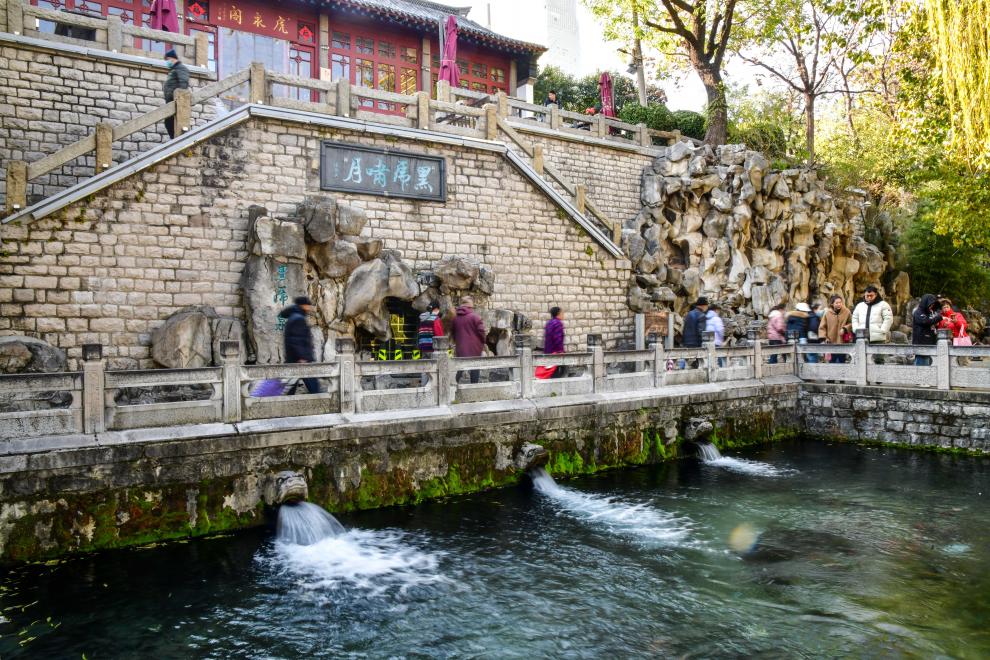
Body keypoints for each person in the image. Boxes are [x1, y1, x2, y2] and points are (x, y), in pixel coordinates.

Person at [279, 296, 323, 394]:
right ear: (303, 305)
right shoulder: (298, 319)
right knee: (314, 387)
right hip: (301, 360)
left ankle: (288, 401)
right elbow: (296, 339)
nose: (310, 307)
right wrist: (302, 357)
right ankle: (321, 400)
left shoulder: (293, 317)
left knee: (291, 387)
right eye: (308, 305)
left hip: (294, 358)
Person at [851, 285, 893, 363]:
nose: (869, 297)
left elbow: (888, 318)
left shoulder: (883, 304)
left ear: (876, 294)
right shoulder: (860, 305)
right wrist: (856, 329)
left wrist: (883, 330)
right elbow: (854, 318)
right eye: (867, 295)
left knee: (878, 360)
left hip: (877, 338)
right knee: (861, 360)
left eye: (871, 295)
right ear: (864, 295)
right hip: (862, 337)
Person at [451, 295, 487, 383]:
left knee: (460, 368)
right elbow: (482, 332)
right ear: (471, 305)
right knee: (474, 369)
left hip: (460, 348)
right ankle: (473, 388)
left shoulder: (455, 319)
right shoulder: (475, 317)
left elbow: (453, 333)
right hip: (474, 348)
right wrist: (483, 342)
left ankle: (454, 386)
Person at [162, 49, 190, 139]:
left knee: (170, 122)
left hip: (177, 101)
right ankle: (174, 139)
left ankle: (175, 139)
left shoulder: (181, 68)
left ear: (173, 58)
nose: (167, 62)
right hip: (171, 101)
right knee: (168, 122)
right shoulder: (174, 69)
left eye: (168, 59)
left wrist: (179, 98)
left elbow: (183, 83)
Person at [910, 293, 942, 366]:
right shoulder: (918, 312)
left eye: (933, 305)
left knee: (927, 364)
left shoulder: (930, 313)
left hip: (929, 342)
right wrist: (939, 318)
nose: (931, 306)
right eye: (930, 304)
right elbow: (925, 322)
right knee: (921, 366)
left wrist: (936, 324)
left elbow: (931, 323)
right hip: (921, 343)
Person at [417, 302, 444, 385]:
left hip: (423, 347)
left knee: (424, 368)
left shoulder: (422, 319)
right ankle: (433, 387)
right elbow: (439, 335)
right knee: (434, 369)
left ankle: (424, 386)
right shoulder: (435, 319)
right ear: (436, 309)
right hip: (432, 348)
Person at [821, 294, 852, 363]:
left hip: (842, 342)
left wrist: (845, 329)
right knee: (832, 362)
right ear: (832, 304)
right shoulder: (827, 313)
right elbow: (822, 327)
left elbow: (851, 323)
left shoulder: (847, 312)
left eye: (840, 302)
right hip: (831, 343)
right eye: (837, 303)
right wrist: (825, 338)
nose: (839, 304)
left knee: (842, 361)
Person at [680, 297, 708, 368]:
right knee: (698, 366)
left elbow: (684, 329)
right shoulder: (702, 315)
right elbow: (702, 332)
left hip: (687, 343)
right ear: (704, 305)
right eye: (707, 305)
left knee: (688, 365)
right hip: (697, 344)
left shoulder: (689, 314)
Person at [539, 306, 566, 379]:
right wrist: (560, 351)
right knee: (558, 374)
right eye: (562, 313)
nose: (563, 314)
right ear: (558, 313)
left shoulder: (549, 323)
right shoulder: (558, 323)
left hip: (548, 352)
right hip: (556, 352)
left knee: (550, 373)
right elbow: (558, 339)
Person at [706, 303, 725, 367]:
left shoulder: (706, 318)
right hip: (716, 342)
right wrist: (722, 340)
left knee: (710, 359)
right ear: (715, 310)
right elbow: (720, 330)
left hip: (708, 342)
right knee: (718, 360)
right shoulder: (717, 319)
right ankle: (720, 371)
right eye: (718, 310)